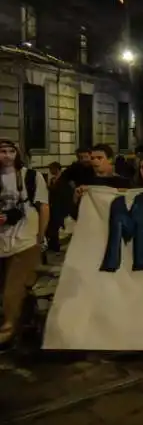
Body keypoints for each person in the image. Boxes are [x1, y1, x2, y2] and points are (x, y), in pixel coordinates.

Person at [0, 139, 49, 350]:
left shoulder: (31, 177)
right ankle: (26, 323)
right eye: (2, 151)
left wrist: (40, 236)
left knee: (13, 289)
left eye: (11, 151)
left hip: (25, 240)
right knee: (10, 289)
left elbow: (44, 206)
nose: (7, 155)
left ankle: (7, 332)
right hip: (2, 241)